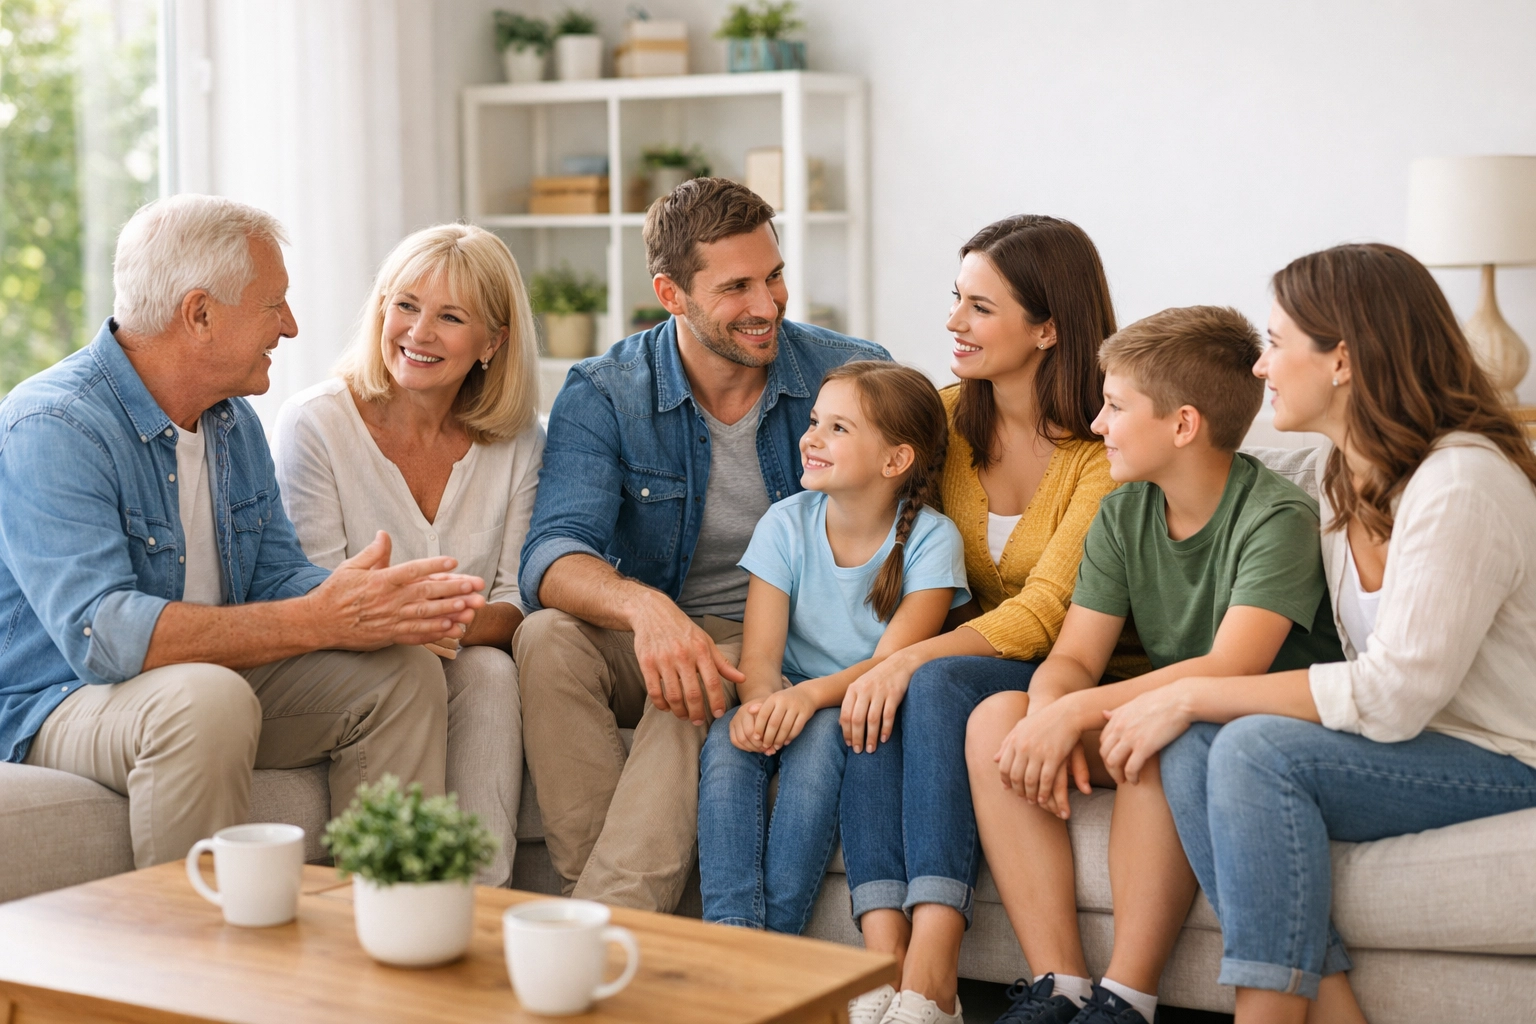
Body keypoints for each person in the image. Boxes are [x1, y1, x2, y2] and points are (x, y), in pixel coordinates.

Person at [0, 194, 484, 868]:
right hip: (62, 699)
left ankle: (383, 923)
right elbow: (102, 636)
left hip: (203, 676)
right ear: (199, 313)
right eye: (273, 304)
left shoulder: (230, 421)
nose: (289, 327)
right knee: (206, 697)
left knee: (401, 672)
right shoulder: (54, 425)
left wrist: (369, 605)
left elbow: (275, 576)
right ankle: (191, 964)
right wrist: (317, 621)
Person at [1124, 245, 1536, 1024]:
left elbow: (1391, 695)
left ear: (1341, 359)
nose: (1259, 367)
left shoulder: (1461, 482)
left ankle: (1266, 1013)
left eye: (1276, 343)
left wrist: (1190, 692)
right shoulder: (1344, 478)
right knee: (1196, 743)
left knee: (1247, 742)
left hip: (1508, 754)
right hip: (1415, 746)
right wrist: (1190, 707)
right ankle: (1335, 1008)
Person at [513, 177, 889, 912]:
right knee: (547, 637)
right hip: (669, 626)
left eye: (775, 276)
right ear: (671, 292)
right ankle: (604, 917)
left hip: (788, 640)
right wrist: (650, 614)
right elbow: (553, 555)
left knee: (693, 681)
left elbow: (916, 523)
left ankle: (597, 926)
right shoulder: (606, 390)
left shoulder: (848, 374)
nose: (768, 304)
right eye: (736, 287)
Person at [967, 307, 1343, 1024]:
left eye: (1114, 406)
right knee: (995, 719)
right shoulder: (1123, 513)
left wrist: (1079, 712)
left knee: (1154, 736)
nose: (1098, 423)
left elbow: (1230, 666)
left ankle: (1126, 998)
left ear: (1183, 424)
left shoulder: (1277, 517)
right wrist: (1049, 714)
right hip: (1162, 711)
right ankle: (1061, 986)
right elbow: (1076, 654)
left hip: (1238, 728)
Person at [839, 215, 1129, 1024]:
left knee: (925, 679)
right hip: (958, 657)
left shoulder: (1105, 448)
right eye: (955, 300)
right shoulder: (937, 420)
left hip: (1076, 663)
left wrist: (909, 659)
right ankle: (881, 966)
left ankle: (933, 970)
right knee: (892, 689)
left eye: (980, 307)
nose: (952, 324)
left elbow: (1046, 613)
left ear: (1048, 328)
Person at [273, 224, 543, 886]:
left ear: (493, 341)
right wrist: (408, 629)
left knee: (488, 673)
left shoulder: (518, 443)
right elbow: (316, 596)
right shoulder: (316, 424)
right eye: (405, 305)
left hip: (467, 656)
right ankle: (388, 902)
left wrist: (426, 625)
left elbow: (514, 602)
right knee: (424, 672)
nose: (418, 333)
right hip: (347, 664)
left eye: (450, 317)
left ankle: (479, 906)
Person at [698, 361, 969, 934]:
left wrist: (807, 701)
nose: (811, 437)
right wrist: (761, 705)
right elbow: (760, 659)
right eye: (816, 420)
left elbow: (890, 663)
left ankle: (780, 938)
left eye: (838, 429)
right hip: (788, 688)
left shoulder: (933, 541)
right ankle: (730, 929)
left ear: (895, 461)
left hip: (858, 699)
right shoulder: (784, 523)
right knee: (728, 741)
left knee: (823, 736)